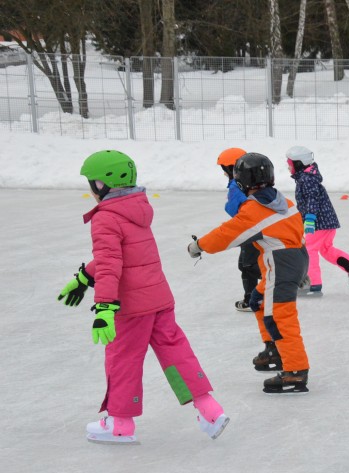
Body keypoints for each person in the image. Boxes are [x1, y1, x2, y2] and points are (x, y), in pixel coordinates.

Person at [58, 150, 229, 444]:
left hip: (131, 306)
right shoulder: (137, 207)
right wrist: (84, 277)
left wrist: (104, 308)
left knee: (123, 360)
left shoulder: (106, 217)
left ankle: (119, 425)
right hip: (158, 298)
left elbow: (110, 263)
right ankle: (210, 411)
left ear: (101, 184)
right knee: (175, 353)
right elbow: (124, 256)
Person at [192, 152, 311, 394]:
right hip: (295, 258)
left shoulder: (254, 210)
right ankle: (275, 350)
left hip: (281, 265)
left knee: (279, 317)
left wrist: (198, 246)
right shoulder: (282, 201)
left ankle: (296, 371)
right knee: (258, 300)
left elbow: (226, 235)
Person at [286, 145, 349, 295]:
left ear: (298, 164)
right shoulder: (307, 177)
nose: (288, 167)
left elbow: (312, 199)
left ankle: (313, 284)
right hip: (326, 221)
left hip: (319, 222)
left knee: (309, 250)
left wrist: (310, 219)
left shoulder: (306, 179)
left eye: (290, 164)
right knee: (326, 249)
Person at [216, 147, 261, 312]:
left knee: (247, 265)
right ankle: (254, 296)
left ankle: (252, 299)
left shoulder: (236, 186)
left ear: (231, 168)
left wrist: (227, 205)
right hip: (257, 228)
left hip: (248, 230)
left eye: (224, 169)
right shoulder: (254, 181)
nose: (223, 173)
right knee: (248, 264)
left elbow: (234, 209)